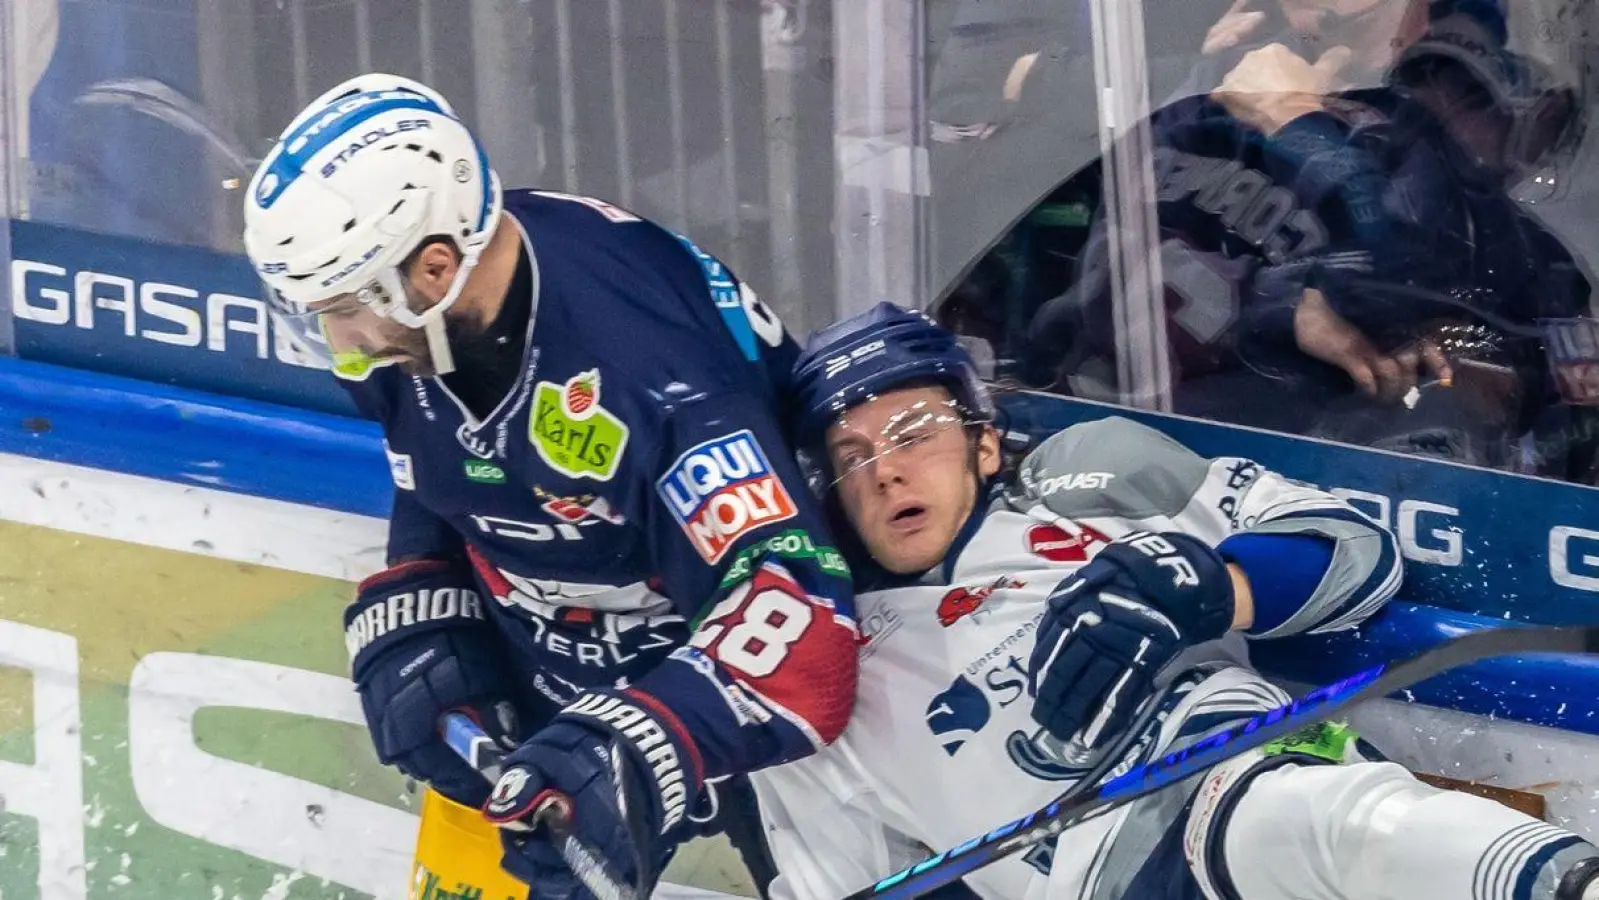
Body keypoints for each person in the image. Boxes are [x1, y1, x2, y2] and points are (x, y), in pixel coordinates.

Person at [240, 74, 859, 897]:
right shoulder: (410, 317)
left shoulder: (656, 375)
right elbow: (436, 459)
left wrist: (643, 743)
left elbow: (805, 626)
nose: (338, 343)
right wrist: (422, 592)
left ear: (434, 268)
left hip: (715, 696)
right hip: (539, 685)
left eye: (344, 308)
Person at [751, 302, 1599, 900]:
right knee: (1325, 825)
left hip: (1236, 774)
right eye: (853, 455)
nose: (887, 470)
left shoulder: (1092, 488)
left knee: (1323, 821)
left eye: (912, 434)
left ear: (980, 444)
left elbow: (1354, 551)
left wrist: (1211, 589)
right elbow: (841, 875)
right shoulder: (821, 660)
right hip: (1106, 868)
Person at [1020, 7, 1593, 477]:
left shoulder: (1422, 175)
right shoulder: (1190, 112)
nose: (1445, 108)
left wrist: (1293, 124)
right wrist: (1277, 303)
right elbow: (1090, 266)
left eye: (1473, 98)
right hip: (1076, 443)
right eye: (1428, 81)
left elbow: (1403, 272)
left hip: (1263, 481)